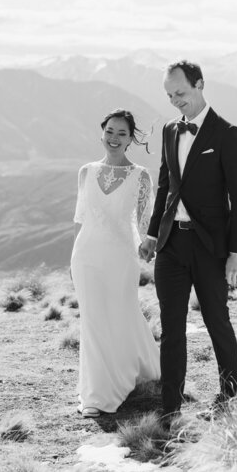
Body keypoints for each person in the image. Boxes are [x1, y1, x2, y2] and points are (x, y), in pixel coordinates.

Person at [139, 60, 237, 424]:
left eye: (181, 93)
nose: (175, 101)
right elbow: (165, 186)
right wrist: (154, 233)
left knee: (218, 321)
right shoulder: (170, 130)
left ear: (200, 84)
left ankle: (229, 396)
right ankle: (170, 406)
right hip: (171, 244)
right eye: (169, 95)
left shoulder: (227, 133)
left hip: (210, 247)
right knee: (172, 327)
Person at [70, 108, 161, 418]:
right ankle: (97, 395)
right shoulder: (86, 172)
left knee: (123, 314)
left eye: (121, 133)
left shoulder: (141, 176)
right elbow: (83, 220)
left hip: (122, 257)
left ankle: (141, 368)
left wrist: (149, 246)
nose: (114, 138)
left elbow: (145, 222)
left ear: (130, 139)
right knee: (93, 321)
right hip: (86, 257)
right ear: (102, 132)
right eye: (110, 131)